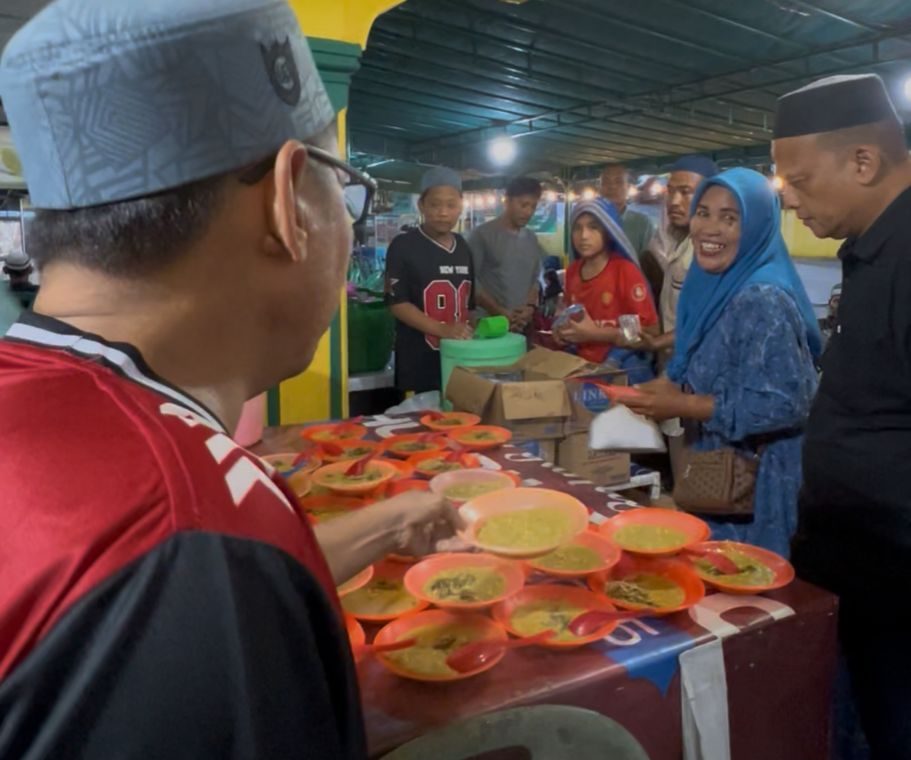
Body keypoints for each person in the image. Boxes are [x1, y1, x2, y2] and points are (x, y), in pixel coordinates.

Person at [0, 1, 462, 757]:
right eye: (343, 189)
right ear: (289, 201)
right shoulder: (195, 545)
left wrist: (388, 522)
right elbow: (192, 562)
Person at [773, 73, 911, 758]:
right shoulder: (870, 250)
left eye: (797, 178)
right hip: (859, 576)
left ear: (862, 162)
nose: (786, 197)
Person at [624, 168, 821, 556]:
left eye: (730, 219)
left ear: (758, 228)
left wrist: (682, 404)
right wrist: (661, 390)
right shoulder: (714, 285)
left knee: (747, 591)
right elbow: (717, 365)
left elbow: (786, 403)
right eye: (704, 213)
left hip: (757, 487)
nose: (709, 229)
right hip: (717, 471)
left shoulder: (762, 298)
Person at [385, 166, 474, 396]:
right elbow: (397, 303)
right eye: (435, 205)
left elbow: (468, 304)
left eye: (451, 205)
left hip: (458, 362)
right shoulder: (403, 246)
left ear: (461, 206)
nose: (443, 212)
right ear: (421, 206)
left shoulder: (464, 247)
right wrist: (442, 329)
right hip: (418, 366)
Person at [556, 198, 659, 382]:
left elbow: (650, 331)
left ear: (609, 231)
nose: (584, 235)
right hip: (582, 364)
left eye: (593, 227)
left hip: (621, 365)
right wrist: (561, 331)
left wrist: (595, 334)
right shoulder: (572, 271)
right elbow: (571, 317)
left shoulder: (625, 271)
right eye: (577, 228)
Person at [635, 155, 718, 362]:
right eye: (670, 191)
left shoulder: (713, 252)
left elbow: (708, 321)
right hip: (672, 366)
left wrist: (657, 343)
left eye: (685, 192)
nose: (673, 201)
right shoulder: (678, 242)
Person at [469, 176, 545, 333]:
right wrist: (501, 312)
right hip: (490, 325)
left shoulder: (531, 238)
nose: (528, 212)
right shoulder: (482, 235)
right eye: (523, 205)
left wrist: (529, 308)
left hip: (522, 325)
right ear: (507, 201)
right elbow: (470, 282)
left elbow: (535, 280)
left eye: (533, 206)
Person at [600, 162, 663, 297]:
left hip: (632, 296)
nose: (611, 187)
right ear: (599, 188)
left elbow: (650, 266)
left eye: (618, 182)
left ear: (628, 188)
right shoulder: (587, 222)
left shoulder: (642, 223)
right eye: (606, 182)